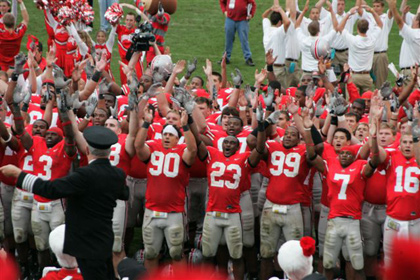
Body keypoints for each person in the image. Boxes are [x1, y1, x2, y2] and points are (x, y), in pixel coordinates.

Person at [0, 125, 129, 280]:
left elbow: (50, 189)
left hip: (85, 243)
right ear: (109, 152)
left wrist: (19, 175)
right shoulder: (117, 174)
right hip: (104, 238)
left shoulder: (84, 176)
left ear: (87, 151)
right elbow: (124, 194)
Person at [337, 5, 383, 93]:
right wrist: (372, 11)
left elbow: (340, 28)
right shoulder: (372, 40)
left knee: (353, 103)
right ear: (367, 29)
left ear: (357, 29)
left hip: (353, 77)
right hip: (366, 76)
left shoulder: (353, 40)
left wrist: (349, 13)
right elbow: (380, 24)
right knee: (367, 103)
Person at [219, 0, 256, 66]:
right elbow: (222, 1)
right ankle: (226, 57)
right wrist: (224, 10)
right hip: (230, 19)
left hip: (242, 20)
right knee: (228, 39)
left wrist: (251, 15)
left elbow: (253, 4)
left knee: (244, 39)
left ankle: (248, 58)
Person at [0, 0, 28, 71]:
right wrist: (21, 3)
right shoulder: (18, 34)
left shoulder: (1, 35)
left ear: (4, 24)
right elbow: (26, 19)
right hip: (14, 67)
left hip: (1, 66)